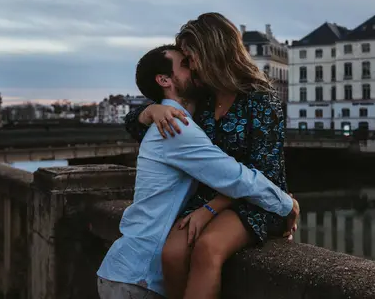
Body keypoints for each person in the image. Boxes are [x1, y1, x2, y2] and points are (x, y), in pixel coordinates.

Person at [96, 44, 300, 299]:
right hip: (138, 279)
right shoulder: (176, 128)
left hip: (129, 272)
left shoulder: (183, 117)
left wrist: (150, 110)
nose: (192, 67)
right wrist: (285, 203)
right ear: (164, 80)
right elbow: (235, 177)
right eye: (184, 64)